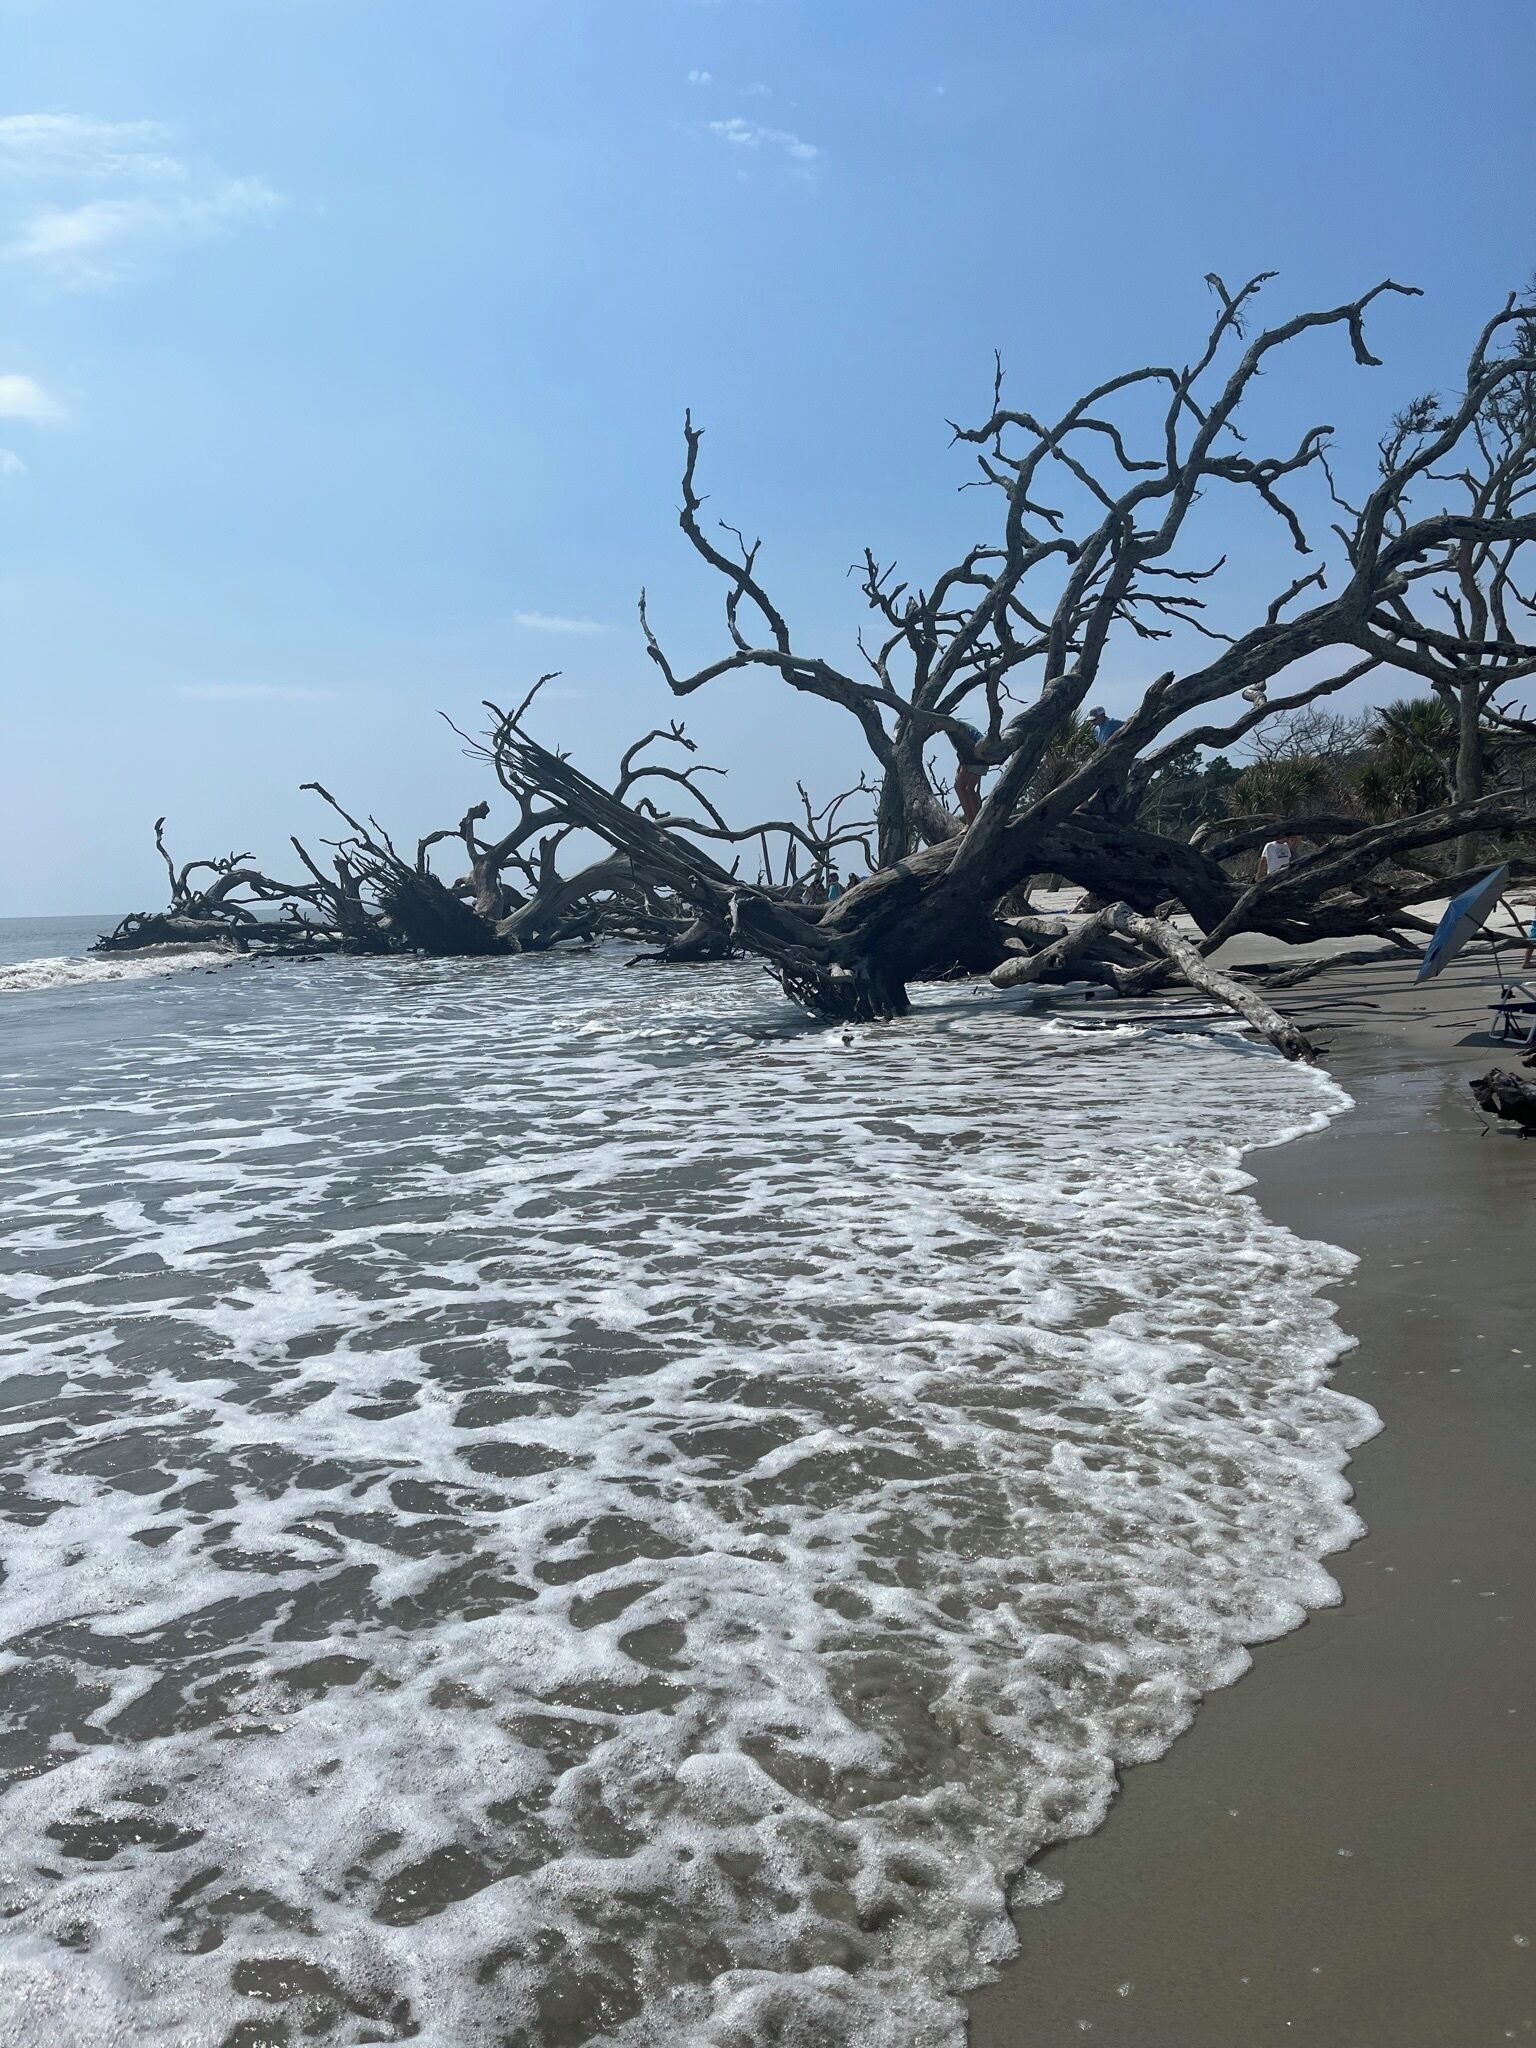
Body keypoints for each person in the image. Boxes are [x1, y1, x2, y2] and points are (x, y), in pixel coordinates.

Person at [950, 721, 987, 825]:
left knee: (959, 787)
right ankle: (977, 820)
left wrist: (964, 765)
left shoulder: (954, 729)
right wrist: (960, 765)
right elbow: (961, 749)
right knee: (969, 789)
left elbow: (966, 747)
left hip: (976, 756)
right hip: (983, 757)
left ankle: (970, 822)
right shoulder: (959, 727)